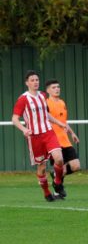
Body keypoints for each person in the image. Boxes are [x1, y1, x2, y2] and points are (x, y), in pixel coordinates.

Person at [12, 70, 68, 201]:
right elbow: (14, 119)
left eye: (37, 80)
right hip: (35, 137)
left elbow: (46, 114)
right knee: (42, 167)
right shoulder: (23, 99)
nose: (35, 82)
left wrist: (60, 123)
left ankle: (58, 182)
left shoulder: (43, 95)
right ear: (27, 83)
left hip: (48, 132)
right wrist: (23, 129)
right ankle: (47, 192)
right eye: (32, 80)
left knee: (59, 158)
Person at [46, 79, 81, 187]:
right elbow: (45, 118)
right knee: (62, 169)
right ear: (48, 90)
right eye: (53, 87)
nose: (57, 89)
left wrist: (72, 133)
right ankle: (57, 192)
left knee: (76, 166)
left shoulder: (62, 103)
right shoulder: (46, 103)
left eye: (58, 87)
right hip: (54, 141)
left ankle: (56, 174)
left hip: (65, 140)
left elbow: (64, 122)